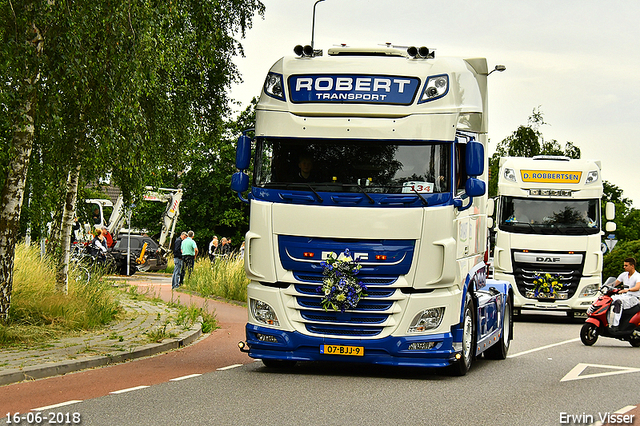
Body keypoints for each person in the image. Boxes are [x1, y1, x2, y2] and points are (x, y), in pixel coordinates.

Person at [609, 257, 640, 332]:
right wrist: (604, 286)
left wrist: (627, 290)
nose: (624, 267)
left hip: (634, 298)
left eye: (626, 265)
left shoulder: (638, 276)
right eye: (624, 265)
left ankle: (615, 325)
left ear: (632, 266)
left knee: (618, 302)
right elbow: (614, 284)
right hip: (624, 296)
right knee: (609, 300)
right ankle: (606, 323)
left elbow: (637, 287)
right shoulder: (624, 275)